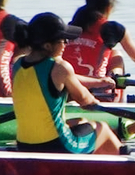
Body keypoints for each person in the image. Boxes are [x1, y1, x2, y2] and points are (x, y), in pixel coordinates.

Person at [11, 12, 121, 155]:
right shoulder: (60, 67)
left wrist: (98, 82)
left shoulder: (18, 65)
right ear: (48, 45)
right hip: (57, 146)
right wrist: (93, 100)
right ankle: (129, 169)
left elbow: (62, 78)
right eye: (63, 40)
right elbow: (84, 100)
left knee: (79, 121)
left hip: (24, 145)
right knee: (102, 128)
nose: (66, 44)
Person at [64, 0, 135, 100]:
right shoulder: (113, 28)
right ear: (109, 7)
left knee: (113, 52)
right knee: (117, 55)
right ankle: (117, 104)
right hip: (98, 90)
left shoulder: (70, 27)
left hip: (68, 88)